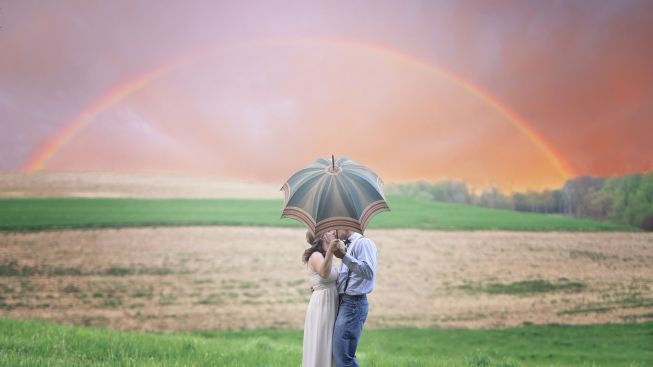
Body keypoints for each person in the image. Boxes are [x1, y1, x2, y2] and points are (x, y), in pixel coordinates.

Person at [329, 230, 378, 367]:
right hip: (345, 302)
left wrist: (344, 256)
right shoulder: (348, 245)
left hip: (353, 304)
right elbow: (346, 278)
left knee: (343, 356)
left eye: (335, 229)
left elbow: (368, 272)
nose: (333, 233)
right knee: (341, 354)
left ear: (345, 227)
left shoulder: (363, 243)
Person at [302, 230, 340, 367]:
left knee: (329, 341)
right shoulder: (316, 255)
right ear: (323, 236)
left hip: (330, 301)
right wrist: (330, 250)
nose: (333, 232)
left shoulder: (324, 256)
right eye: (330, 231)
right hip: (322, 304)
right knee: (322, 340)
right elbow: (324, 273)